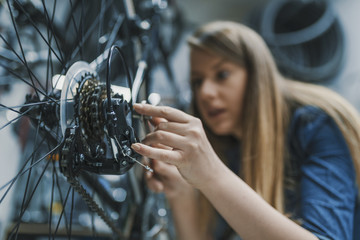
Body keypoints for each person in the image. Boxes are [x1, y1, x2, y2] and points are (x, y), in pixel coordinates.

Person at [131, 21, 360, 240]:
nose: (206, 93)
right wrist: (181, 194)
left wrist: (210, 174)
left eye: (222, 75)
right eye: (198, 82)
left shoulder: (316, 126)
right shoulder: (229, 147)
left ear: (257, 75)